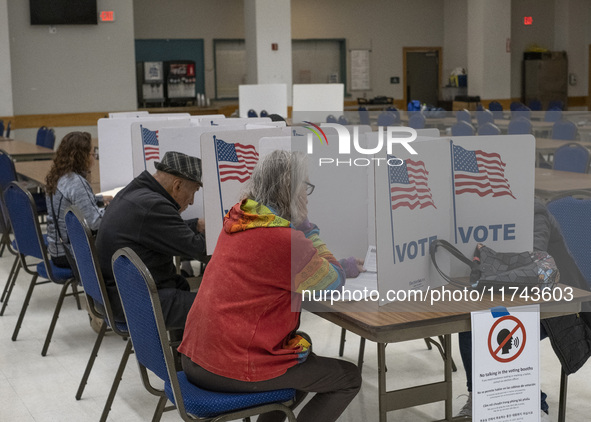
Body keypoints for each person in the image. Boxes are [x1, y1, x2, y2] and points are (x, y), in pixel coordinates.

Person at [178, 150, 362, 422]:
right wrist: (307, 228)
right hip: (226, 366)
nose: (307, 196)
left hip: (195, 357)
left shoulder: (240, 218)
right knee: (348, 378)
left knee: (301, 350)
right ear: (289, 189)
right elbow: (331, 283)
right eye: (305, 187)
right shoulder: (285, 240)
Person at [455, 198, 591, 420]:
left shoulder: (533, 212)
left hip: (558, 308)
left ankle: (531, 403)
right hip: (511, 299)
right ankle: (480, 397)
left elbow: (532, 262)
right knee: (471, 322)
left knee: (496, 329)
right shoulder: (479, 217)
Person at [95, 151, 206, 329]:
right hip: (136, 302)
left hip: (116, 294)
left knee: (182, 285)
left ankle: (180, 354)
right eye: (193, 192)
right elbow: (198, 248)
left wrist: (196, 225)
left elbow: (159, 227)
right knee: (216, 309)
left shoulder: (138, 191)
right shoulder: (155, 205)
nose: (192, 201)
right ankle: (186, 356)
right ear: (177, 185)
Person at [45, 131, 111, 269]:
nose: (94, 158)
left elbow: (72, 202)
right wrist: (114, 210)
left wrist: (98, 199)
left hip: (57, 249)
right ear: (83, 157)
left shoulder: (58, 177)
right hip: (71, 254)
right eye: (92, 154)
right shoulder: (76, 182)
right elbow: (95, 222)